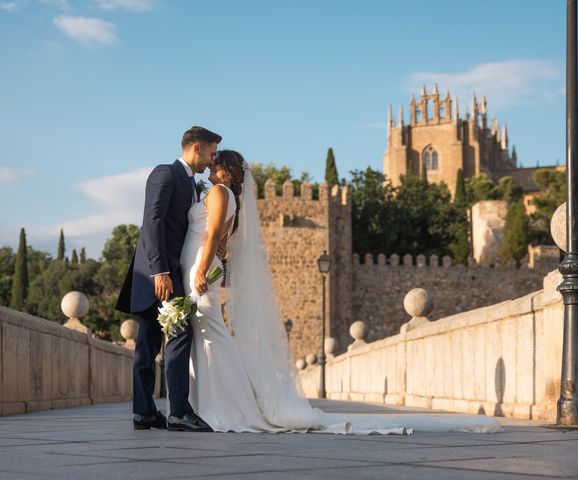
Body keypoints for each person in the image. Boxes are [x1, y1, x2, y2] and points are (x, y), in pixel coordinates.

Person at [182, 149, 502, 434]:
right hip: (208, 273)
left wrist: (199, 268)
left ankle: (224, 407)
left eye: (216, 162)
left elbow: (212, 239)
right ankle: (220, 405)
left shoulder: (221, 193)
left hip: (203, 273)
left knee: (216, 340)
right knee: (214, 339)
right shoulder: (231, 198)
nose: (211, 165)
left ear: (226, 170)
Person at [116, 126, 221, 432]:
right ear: (197, 149)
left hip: (169, 273)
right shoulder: (165, 174)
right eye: (211, 154)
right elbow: (152, 223)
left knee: (148, 344)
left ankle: (144, 412)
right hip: (158, 274)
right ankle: (178, 412)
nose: (212, 162)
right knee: (179, 335)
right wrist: (159, 272)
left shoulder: (190, 183)